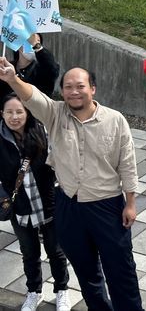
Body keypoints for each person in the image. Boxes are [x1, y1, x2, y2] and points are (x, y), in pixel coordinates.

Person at [0, 59, 144, 311]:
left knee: (120, 269)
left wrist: (131, 203)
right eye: (68, 87)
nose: (74, 91)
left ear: (93, 89)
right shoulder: (55, 114)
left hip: (107, 206)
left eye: (80, 86)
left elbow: (128, 164)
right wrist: (13, 79)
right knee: (85, 270)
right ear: (62, 91)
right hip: (68, 206)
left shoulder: (115, 120)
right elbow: (33, 97)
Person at [0, 93, 70, 311]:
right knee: (29, 253)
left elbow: (59, 162)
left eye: (19, 111)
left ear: (28, 112)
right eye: (9, 112)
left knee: (56, 252)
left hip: (47, 203)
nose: (14, 117)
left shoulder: (42, 131)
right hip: (20, 207)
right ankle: (34, 292)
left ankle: (62, 291)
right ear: (1, 114)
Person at [0, 33, 60, 100]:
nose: (32, 45)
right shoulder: (6, 68)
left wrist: (36, 45)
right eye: (28, 41)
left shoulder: (42, 69)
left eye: (37, 42)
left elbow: (52, 70)